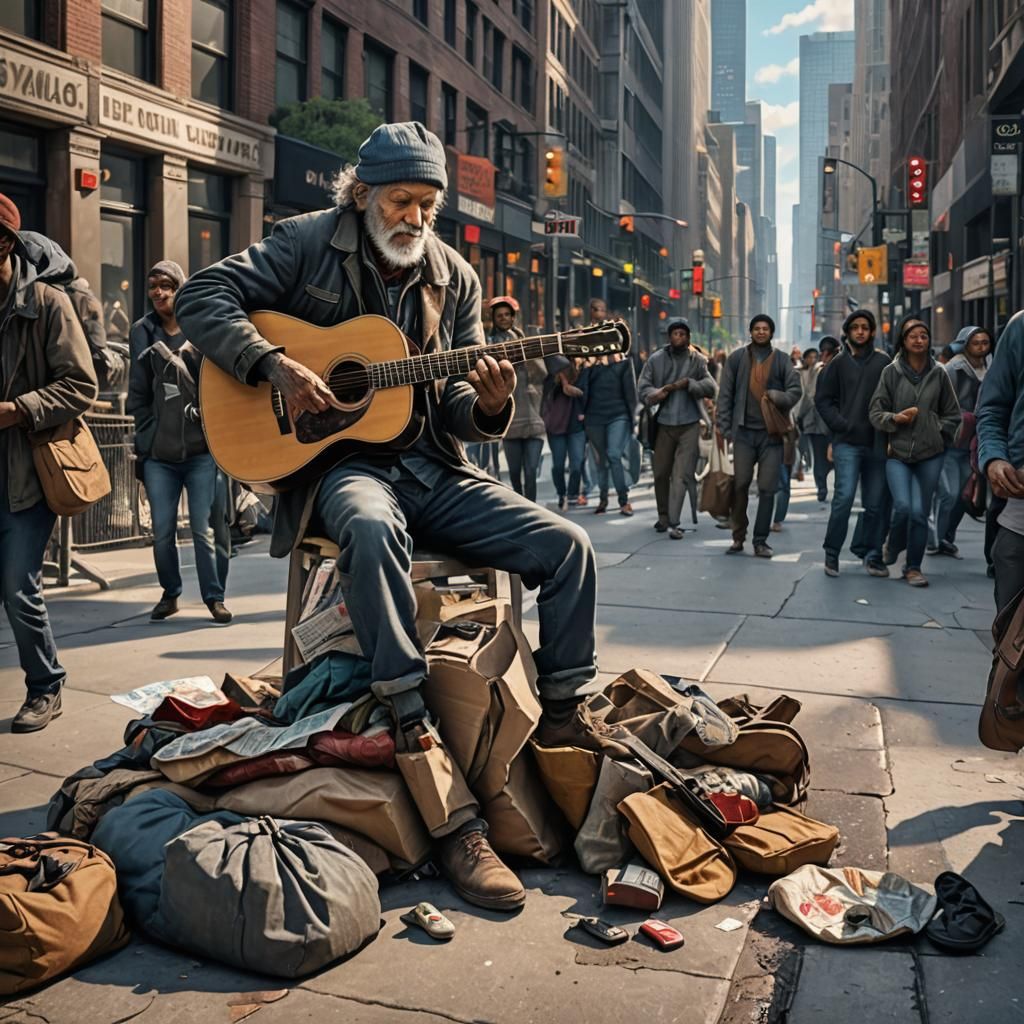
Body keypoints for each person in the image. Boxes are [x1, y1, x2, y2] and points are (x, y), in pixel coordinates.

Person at [176, 121, 607, 912]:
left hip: (432, 470)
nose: (415, 219)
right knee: (370, 529)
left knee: (568, 545)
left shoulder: (455, 278)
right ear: (364, 193)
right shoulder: (305, 242)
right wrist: (273, 362)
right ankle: (412, 720)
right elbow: (205, 296)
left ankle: (566, 714)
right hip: (344, 470)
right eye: (403, 201)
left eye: (428, 206)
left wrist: (492, 401)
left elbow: (455, 403)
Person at [0, 193, 98, 732]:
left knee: (19, 586)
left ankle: (45, 686)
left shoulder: (46, 303)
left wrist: (18, 410)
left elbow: (82, 384)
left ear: (7, 243)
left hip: (28, 474)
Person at [127, 260, 232, 624]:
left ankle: (214, 597)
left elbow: (222, 384)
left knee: (205, 529)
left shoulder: (199, 328)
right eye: (153, 285)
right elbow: (137, 392)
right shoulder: (142, 331)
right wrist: (147, 439)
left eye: (166, 285)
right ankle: (170, 593)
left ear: (180, 288)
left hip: (203, 450)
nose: (158, 292)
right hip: (160, 455)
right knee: (162, 532)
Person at [868, 318, 961, 588]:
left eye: (924, 336)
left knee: (920, 513)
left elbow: (953, 414)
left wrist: (938, 431)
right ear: (904, 341)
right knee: (904, 507)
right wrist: (894, 419)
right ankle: (893, 545)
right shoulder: (891, 372)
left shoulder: (940, 373)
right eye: (913, 336)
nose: (919, 340)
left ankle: (913, 568)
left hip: (931, 454)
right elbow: (875, 412)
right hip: (897, 453)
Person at [716, 314, 801, 557]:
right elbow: (725, 396)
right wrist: (724, 427)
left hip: (771, 435)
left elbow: (796, 391)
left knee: (767, 488)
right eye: (757, 328)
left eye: (765, 329)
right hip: (743, 433)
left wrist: (778, 396)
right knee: (740, 484)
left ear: (771, 333)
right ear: (750, 331)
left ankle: (760, 540)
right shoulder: (737, 359)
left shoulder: (782, 360)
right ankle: (738, 536)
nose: (761, 332)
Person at [815, 310, 891, 578]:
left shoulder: (884, 363)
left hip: (877, 443)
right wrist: (841, 425)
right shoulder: (837, 364)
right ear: (847, 332)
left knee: (874, 503)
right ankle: (832, 552)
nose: (860, 331)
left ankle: (872, 554)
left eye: (865, 327)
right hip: (847, 442)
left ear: (871, 332)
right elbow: (822, 400)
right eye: (855, 327)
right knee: (844, 498)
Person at [638, 318, 716, 539]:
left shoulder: (698, 360)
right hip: (663, 424)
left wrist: (690, 384)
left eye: (683, 334)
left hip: (689, 424)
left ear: (688, 337)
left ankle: (674, 522)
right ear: (669, 337)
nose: (679, 337)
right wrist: (658, 393)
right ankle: (663, 517)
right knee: (661, 473)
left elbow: (712, 387)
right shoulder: (656, 360)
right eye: (675, 334)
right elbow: (643, 387)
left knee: (680, 474)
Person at [977, 311, 1024, 613]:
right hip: (1019, 515)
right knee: (1010, 643)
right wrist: (994, 458)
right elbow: (993, 408)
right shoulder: (1020, 327)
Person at [931, 326, 992, 555]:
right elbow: (939, 402)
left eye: (985, 342)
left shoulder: (991, 370)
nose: (980, 347)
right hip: (950, 440)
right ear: (965, 344)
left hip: (974, 444)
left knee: (963, 496)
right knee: (949, 492)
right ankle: (936, 538)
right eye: (976, 342)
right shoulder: (953, 369)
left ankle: (947, 537)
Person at [487, 297, 546, 502]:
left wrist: (523, 355)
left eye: (507, 315)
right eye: (499, 316)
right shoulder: (489, 344)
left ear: (513, 317)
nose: (503, 319)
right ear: (494, 319)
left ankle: (533, 510)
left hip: (533, 418)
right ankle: (522, 508)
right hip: (510, 422)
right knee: (514, 474)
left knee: (530, 472)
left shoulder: (524, 342)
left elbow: (541, 373)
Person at [578, 352, 638, 516]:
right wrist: (588, 365)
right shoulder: (590, 368)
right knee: (601, 460)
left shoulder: (624, 365)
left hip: (618, 415)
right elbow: (581, 392)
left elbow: (631, 394)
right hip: (594, 418)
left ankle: (624, 501)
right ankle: (603, 499)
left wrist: (634, 421)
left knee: (613, 454)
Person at [542, 359, 587, 510]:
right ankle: (562, 493)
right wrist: (561, 383)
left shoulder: (581, 375)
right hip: (556, 429)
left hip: (576, 427)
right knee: (558, 466)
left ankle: (572, 494)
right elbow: (546, 400)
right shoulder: (551, 380)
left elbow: (585, 396)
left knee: (576, 464)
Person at [797, 336, 837, 502]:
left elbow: (810, 396)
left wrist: (800, 416)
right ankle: (827, 488)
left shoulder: (820, 370)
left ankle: (822, 488)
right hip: (828, 423)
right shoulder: (823, 369)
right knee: (831, 458)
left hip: (819, 424)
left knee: (821, 458)